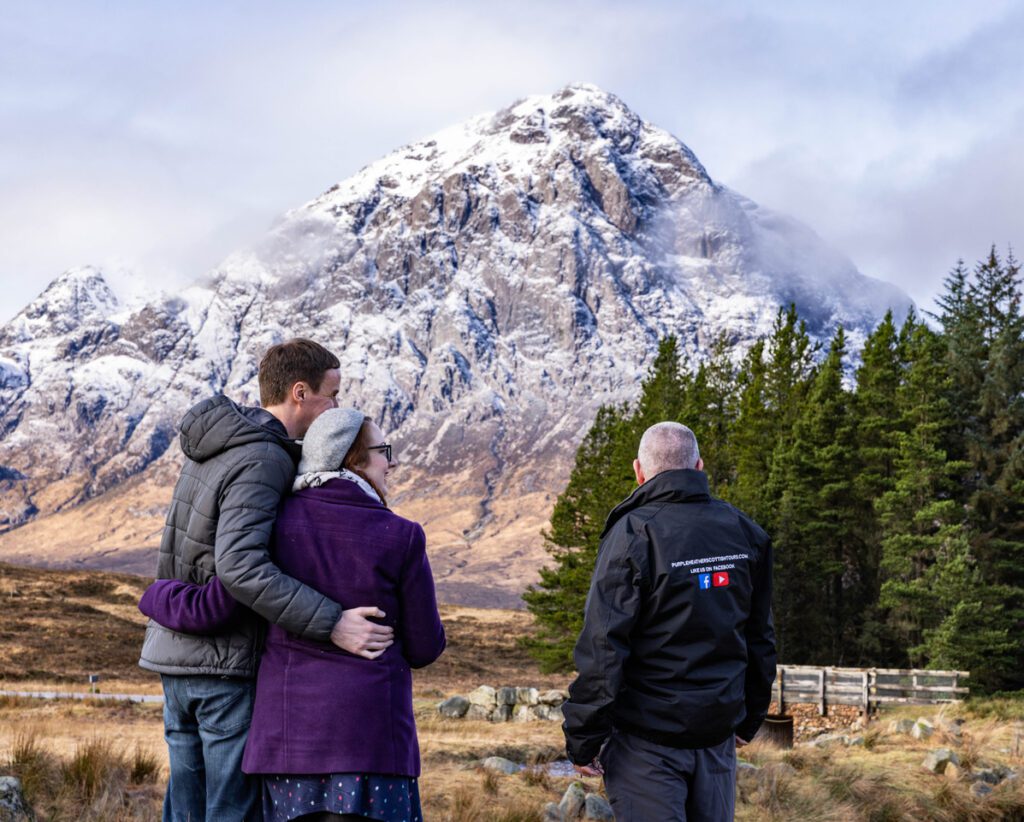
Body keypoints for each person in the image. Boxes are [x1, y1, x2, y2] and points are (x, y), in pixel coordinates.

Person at [140, 407, 446, 822]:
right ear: (351, 457)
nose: (391, 462)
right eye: (383, 451)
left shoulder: (274, 524)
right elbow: (425, 646)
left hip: (286, 748)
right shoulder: (403, 534)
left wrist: (156, 595)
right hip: (374, 741)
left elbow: (224, 598)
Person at [562, 421, 776, 822]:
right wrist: (751, 718)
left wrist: (583, 738)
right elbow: (760, 636)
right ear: (698, 465)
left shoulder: (632, 535)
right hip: (717, 740)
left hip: (646, 745)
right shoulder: (745, 533)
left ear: (638, 471)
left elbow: (604, 648)